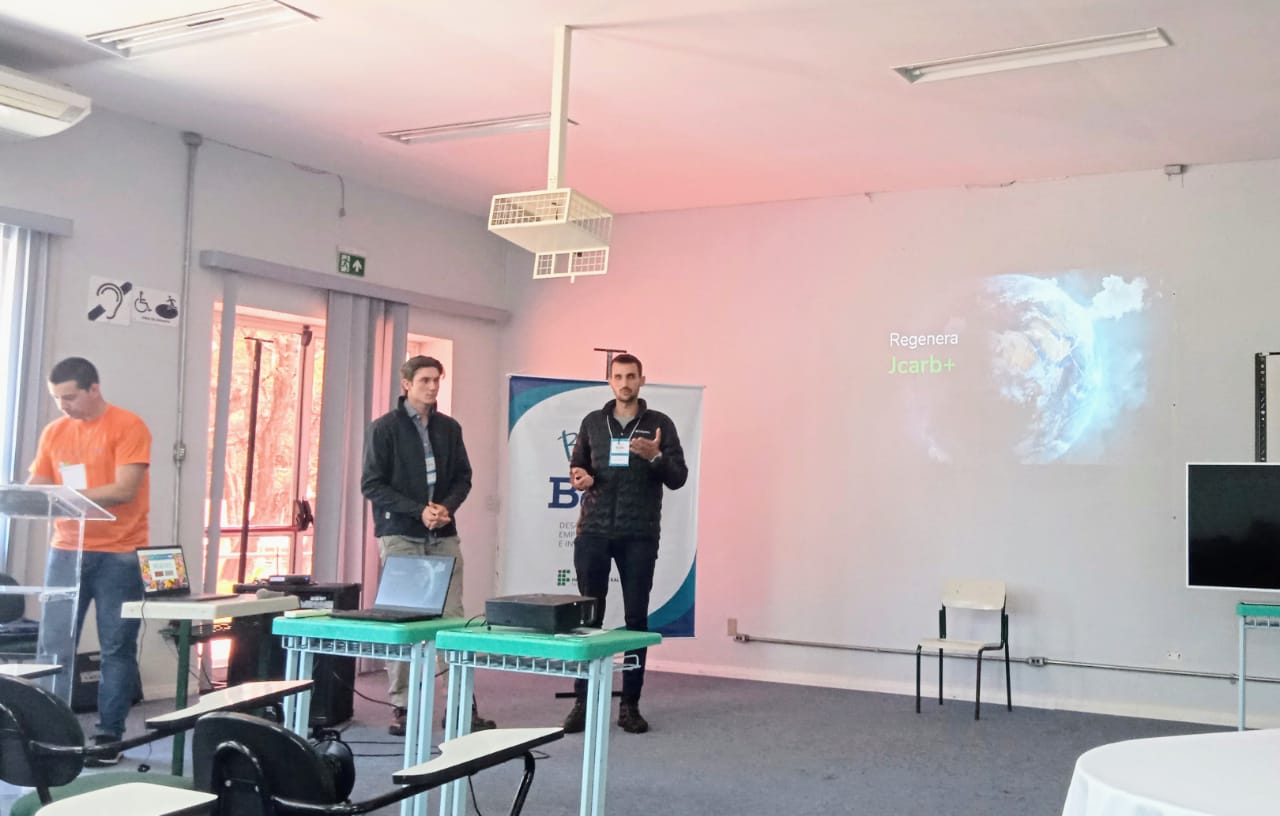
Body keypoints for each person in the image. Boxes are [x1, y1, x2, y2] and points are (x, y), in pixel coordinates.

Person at [361, 355, 495, 736]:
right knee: (402, 620)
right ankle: (403, 706)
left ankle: (459, 705)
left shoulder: (449, 428)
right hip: (401, 534)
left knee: (453, 620)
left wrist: (445, 509)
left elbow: (464, 478)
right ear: (406, 384)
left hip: (443, 533)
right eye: (425, 380)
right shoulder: (384, 429)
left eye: (437, 380)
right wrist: (418, 511)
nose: (433, 387)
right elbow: (372, 484)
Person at [28, 357, 150, 766]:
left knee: (116, 647)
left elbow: (125, 489)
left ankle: (108, 737)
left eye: (69, 397)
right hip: (66, 550)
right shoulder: (54, 432)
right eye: (56, 399)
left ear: (93, 389)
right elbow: (39, 485)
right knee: (54, 646)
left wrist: (67, 497)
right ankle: (50, 732)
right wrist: (23, 494)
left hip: (120, 553)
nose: (63, 406)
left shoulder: (128, 426)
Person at [565, 353, 688, 734]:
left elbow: (678, 477)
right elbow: (577, 467)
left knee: (636, 620)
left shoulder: (660, 424)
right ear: (609, 381)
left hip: (639, 534)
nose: (624, 383)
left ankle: (630, 705)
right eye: (617, 376)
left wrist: (656, 457)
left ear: (641, 380)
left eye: (631, 376)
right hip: (594, 531)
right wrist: (580, 478)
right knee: (588, 619)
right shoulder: (592, 422)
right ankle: (584, 701)